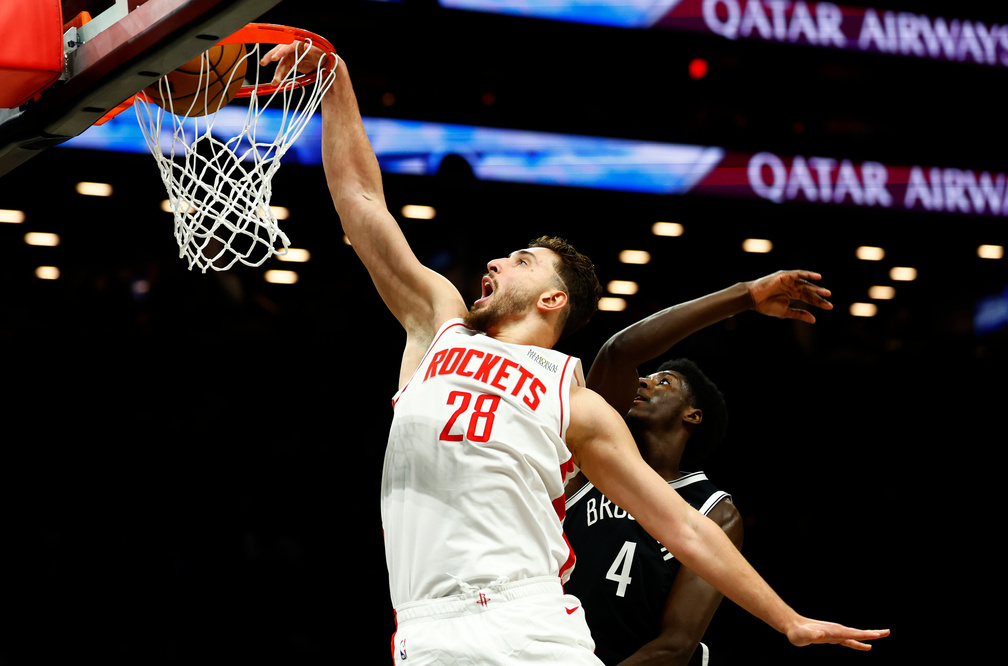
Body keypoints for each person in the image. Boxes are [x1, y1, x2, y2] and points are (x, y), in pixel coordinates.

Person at [261, 41, 889, 664]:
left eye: (521, 261)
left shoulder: (576, 399)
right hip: (427, 632)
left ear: (553, 300)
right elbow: (362, 201)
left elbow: (685, 526)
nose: (496, 262)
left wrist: (789, 621)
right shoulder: (439, 325)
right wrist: (336, 80)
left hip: (528, 624)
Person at [563, 273, 828, 665]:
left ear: (693, 415)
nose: (644, 382)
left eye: (663, 381)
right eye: (646, 376)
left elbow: (676, 644)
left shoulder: (715, 511)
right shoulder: (590, 459)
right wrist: (744, 295)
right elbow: (618, 353)